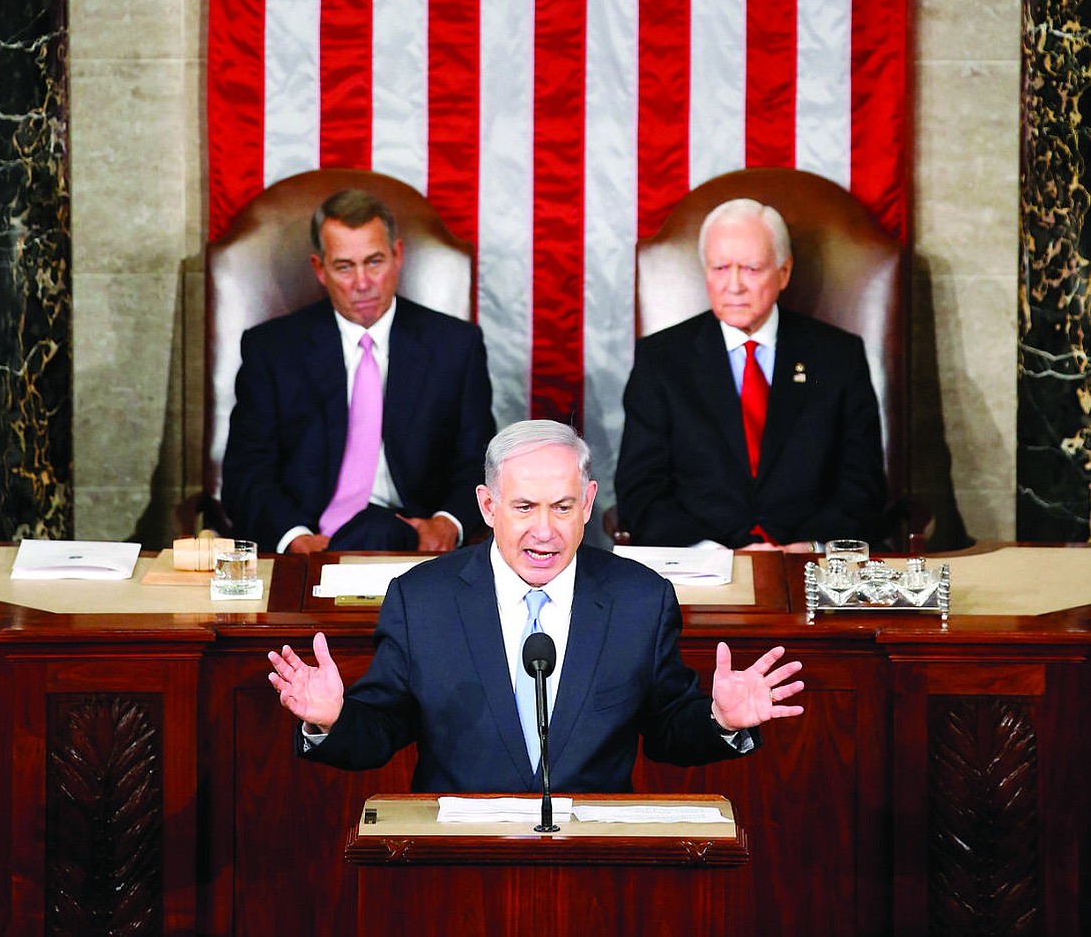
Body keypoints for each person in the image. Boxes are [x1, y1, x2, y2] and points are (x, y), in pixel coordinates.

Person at [267, 421, 803, 793]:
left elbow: (667, 728)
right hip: (458, 861)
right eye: (524, 507)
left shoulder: (639, 599)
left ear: (589, 502)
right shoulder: (422, 600)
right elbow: (382, 727)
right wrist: (333, 720)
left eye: (563, 507)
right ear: (488, 505)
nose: (543, 531)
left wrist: (720, 719)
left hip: (594, 865)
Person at [221, 187, 495, 554]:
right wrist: (294, 538)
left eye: (374, 261)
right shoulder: (272, 351)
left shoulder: (456, 346)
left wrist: (448, 522)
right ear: (320, 269)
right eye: (344, 267)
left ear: (397, 256)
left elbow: (478, 462)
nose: (362, 283)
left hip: (419, 549)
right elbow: (247, 473)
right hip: (311, 546)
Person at [614, 198, 886, 550]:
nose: (734, 285)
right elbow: (641, 489)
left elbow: (862, 483)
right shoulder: (662, 360)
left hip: (809, 563)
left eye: (752, 269)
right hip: (703, 568)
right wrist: (714, 553)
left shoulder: (838, 356)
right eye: (720, 268)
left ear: (784, 272)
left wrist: (813, 546)